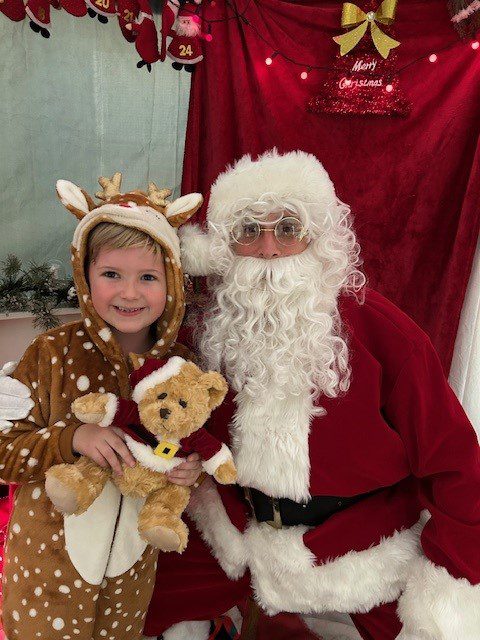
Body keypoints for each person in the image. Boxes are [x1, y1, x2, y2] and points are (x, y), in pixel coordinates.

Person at [145, 149, 480, 640]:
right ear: (222, 246)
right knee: (144, 605)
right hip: (236, 529)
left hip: (362, 544)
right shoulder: (207, 333)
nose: (269, 250)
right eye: (248, 231)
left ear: (318, 236)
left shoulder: (384, 334)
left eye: (287, 229)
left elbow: (457, 466)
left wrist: (452, 573)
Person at [0, 174, 204, 640]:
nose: (129, 293)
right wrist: (73, 437)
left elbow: (185, 448)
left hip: (128, 576)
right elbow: (5, 452)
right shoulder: (52, 353)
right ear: (85, 277)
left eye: (148, 277)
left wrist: (188, 469)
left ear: (172, 283)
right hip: (46, 576)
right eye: (112, 274)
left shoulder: (181, 368)